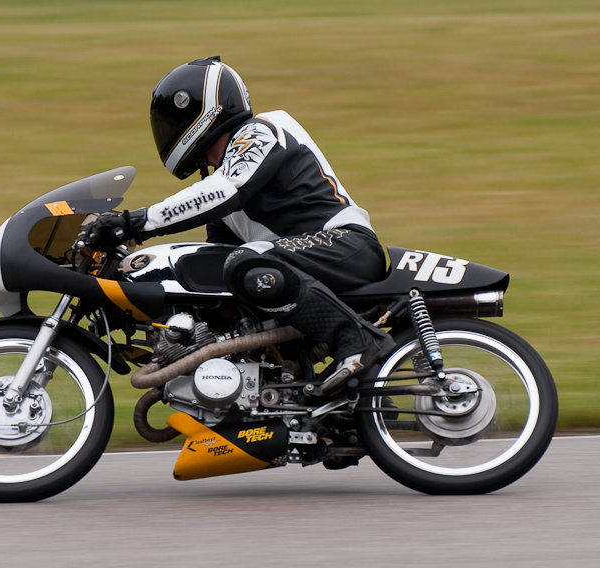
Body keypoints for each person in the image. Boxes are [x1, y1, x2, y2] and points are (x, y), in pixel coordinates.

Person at [83, 56, 393, 391]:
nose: (168, 132)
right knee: (228, 279)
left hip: (346, 244)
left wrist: (134, 223)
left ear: (206, 112)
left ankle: (358, 340)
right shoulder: (227, 180)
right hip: (305, 263)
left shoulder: (261, 131)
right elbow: (214, 259)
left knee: (246, 262)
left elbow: (223, 191)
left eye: (174, 122)